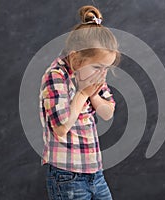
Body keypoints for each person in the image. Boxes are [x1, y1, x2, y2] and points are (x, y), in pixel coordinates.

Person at [39, 5, 120, 200]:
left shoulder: (92, 76)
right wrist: (83, 94)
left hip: (95, 173)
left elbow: (108, 112)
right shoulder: (56, 76)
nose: (103, 73)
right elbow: (60, 128)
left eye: (106, 68)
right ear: (76, 58)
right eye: (99, 67)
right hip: (67, 176)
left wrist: (93, 95)